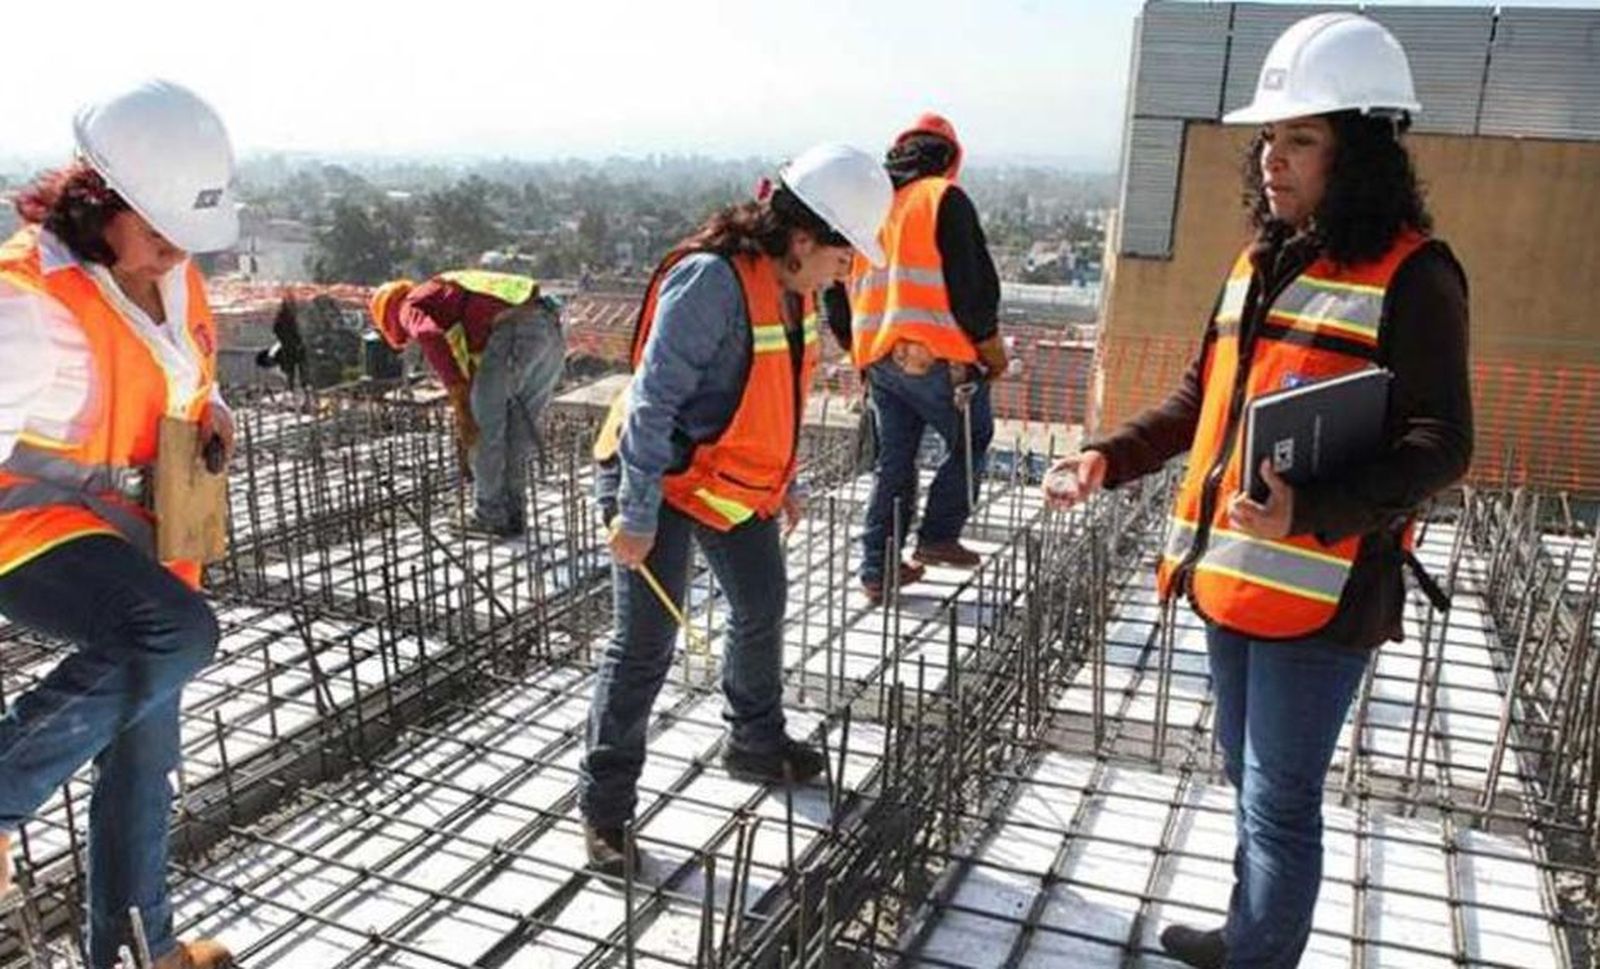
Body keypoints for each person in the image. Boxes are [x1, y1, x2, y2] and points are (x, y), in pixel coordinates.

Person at [1043, 14, 1472, 968]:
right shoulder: (1260, 262)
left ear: (1360, 149)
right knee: (1247, 778)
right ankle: (1249, 933)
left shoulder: (1416, 275)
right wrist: (1106, 458)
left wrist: (1311, 513)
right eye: (1269, 138)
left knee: (1279, 798)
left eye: (1302, 138)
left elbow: (1443, 445)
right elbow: (1202, 400)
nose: (1274, 158)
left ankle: (1260, 953)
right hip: (1229, 578)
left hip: (1324, 598)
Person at [582, 143, 892, 876]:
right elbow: (652, 404)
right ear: (805, 238)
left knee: (761, 598)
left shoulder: (792, 286)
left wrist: (782, 479)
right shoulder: (711, 282)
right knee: (646, 642)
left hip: (724, 480)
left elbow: (772, 390)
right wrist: (635, 513)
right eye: (846, 257)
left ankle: (754, 739)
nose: (849, 273)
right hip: (651, 473)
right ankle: (605, 809)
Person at [0, 79, 240, 969]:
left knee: (144, 761)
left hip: (132, 533)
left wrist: (211, 410)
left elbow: (188, 372)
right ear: (97, 201)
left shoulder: (172, 274)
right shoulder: (28, 306)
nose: (173, 253)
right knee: (173, 632)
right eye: (156, 232)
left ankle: (137, 953)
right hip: (28, 531)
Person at [828, 113, 1007, 605]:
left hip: (880, 364)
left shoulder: (866, 209)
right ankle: (938, 534)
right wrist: (989, 349)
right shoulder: (941, 198)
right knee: (971, 441)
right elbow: (974, 288)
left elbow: (834, 293)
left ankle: (877, 569)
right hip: (941, 360)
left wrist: (860, 350)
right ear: (949, 160)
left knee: (895, 463)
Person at [369, 270, 566, 537]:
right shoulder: (447, 296)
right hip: (550, 331)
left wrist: (457, 391)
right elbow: (475, 363)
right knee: (518, 432)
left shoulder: (409, 304)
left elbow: (428, 334)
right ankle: (513, 513)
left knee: (483, 429)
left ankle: (489, 515)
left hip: (515, 332)